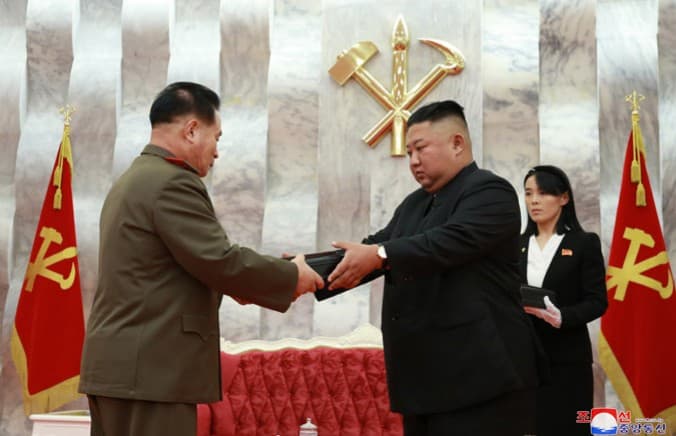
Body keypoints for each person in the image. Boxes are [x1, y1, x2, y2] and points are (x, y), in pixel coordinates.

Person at [78, 82, 323, 436]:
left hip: (123, 370)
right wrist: (291, 275)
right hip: (151, 373)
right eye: (216, 137)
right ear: (192, 130)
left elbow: (178, 268)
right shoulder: (171, 182)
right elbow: (219, 260)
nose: (217, 152)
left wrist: (237, 285)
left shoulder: (133, 179)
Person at [327, 100, 544, 436]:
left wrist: (380, 254)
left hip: (481, 379)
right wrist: (303, 271)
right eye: (409, 152)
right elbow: (371, 248)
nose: (413, 161)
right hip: (423, 381)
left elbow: (446, 242)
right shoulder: (414, 203)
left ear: (457, 143)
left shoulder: (490, 191)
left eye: (421, 149)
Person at [520, 165, 608, 436]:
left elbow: (597, 300)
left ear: (564, 198)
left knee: (568, 427)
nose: (534, 200)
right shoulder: (514, 245)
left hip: (567, 360)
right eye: (528, 193)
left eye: (543, 193)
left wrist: (563, 317)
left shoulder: (584, 243)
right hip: (522, 360)